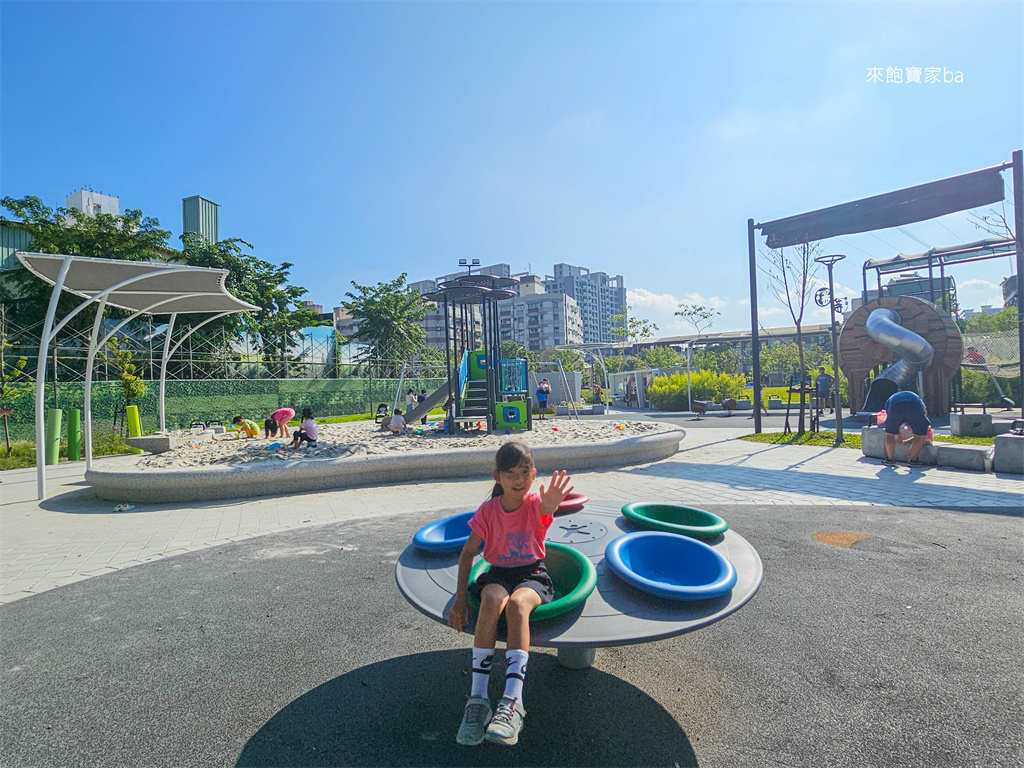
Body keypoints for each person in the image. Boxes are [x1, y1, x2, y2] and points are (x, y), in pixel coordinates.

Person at [448, 442, 574, 746]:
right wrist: (460, 598)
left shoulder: (534, 503)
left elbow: (545, 509)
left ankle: (513, 701)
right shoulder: (489, 510)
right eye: (511, 473)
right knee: (492, 599)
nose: (519, 480)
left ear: (533, 475)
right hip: (499, 573)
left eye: (525, 473)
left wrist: (552, 504)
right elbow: (467, 554)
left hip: (532, 574)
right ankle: (478, 700)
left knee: (518, 605)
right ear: (497, 476)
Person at [881, 390, 931, 466]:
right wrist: (921, 429)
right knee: (919, 435)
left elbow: (893, 425)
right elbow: (924, 411)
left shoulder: (890, 399)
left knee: (890, 434)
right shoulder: (917, 397)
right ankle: (913, 460)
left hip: (895, 405)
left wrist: (898, 435)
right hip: (914, 405)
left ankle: (889, 460)